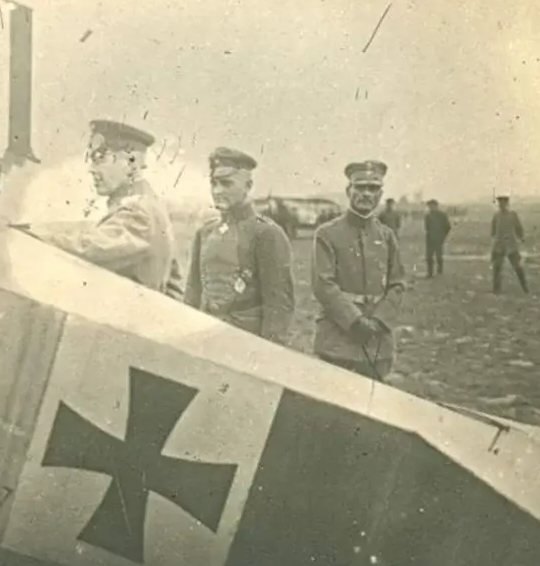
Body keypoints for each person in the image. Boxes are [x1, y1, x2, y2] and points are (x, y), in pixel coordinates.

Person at [31, 120, 175, 292]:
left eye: (100, 158)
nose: (92, 169)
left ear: (131, 161)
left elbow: (91, 247)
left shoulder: (138, 211)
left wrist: (34, 235)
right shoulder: (146, 204)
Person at [183, 147, 295, 344]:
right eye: (213, 183)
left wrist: (271, 352)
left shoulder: (267, 233)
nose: (217, 191)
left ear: (248, 186)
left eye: (226, 183)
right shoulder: (206, 232)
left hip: (247, 341)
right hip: (207, 336)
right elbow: (193, 293)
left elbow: (278, 305)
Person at [312, 160, 406, 381]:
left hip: (377, 342)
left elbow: (398, 283)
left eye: (373, 188)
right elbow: (323, 285)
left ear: (381, 194)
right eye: (360, 187)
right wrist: (355, 321)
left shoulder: (387, 236)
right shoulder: (327, 233)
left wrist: (380, 320)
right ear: (348, 190)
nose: (366, 194)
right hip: (338, 340)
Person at [490, 194, 529, 294]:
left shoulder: (512, 215)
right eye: (500, 203)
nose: (501, 205)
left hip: (511, 245)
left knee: (517, 267)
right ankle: (496, 290)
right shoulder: (496, 215)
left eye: (503, 203)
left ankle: (525, 288)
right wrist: (495, 240)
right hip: (499, 244)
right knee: (497, 267)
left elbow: (518, 228)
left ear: (507, 204)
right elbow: (493, 230)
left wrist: (521, 237)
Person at [423, 199, 451, 277]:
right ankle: (430, 273)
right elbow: (427, 228)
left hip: (439, 238)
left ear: (436, 206)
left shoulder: (442, 215)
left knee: (439, 255)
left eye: (432, 206)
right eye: (429, 206)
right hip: (429, 239)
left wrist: (443, 236)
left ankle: (440, 270)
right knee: (429, 256)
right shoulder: (428, 216)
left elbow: (448, 227)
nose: (430, 208)